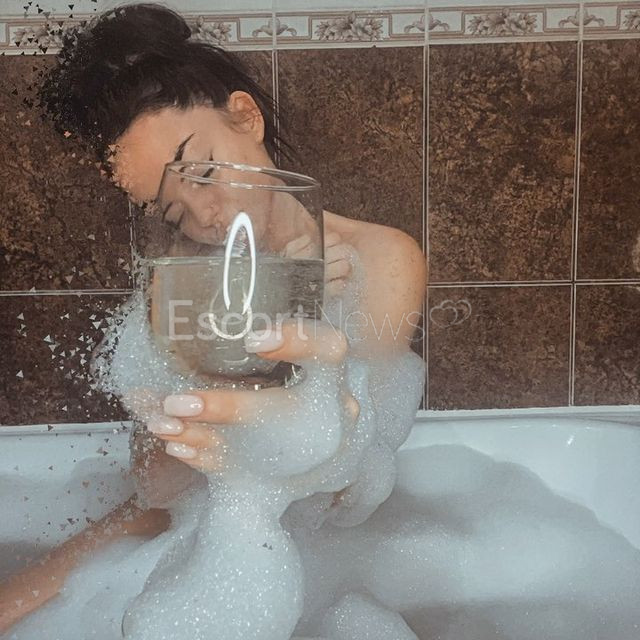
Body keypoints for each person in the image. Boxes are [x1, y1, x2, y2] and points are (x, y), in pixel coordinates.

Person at [0, 3, 426, 634]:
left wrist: (308, 323)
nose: (202, 217)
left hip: (308, 538)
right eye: (169, 211)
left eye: (201, 172)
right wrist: (225, 354)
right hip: (195, 524)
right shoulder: (183, 284)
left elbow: (345, 484)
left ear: (245, 117)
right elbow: (160, 482)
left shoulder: (381, 258)